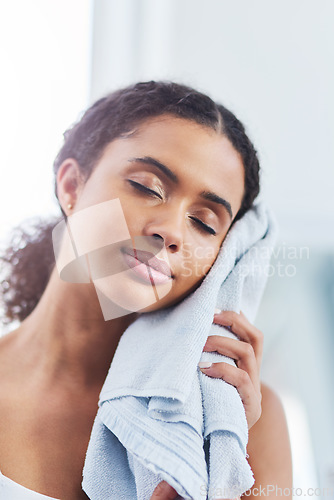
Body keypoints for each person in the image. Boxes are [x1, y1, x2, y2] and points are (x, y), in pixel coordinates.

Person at [0, 81, 292, 500]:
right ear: (71, 186)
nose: (171, 231)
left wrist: (219, 468)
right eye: (146, 187)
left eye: (205, 223)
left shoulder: (241, 422)